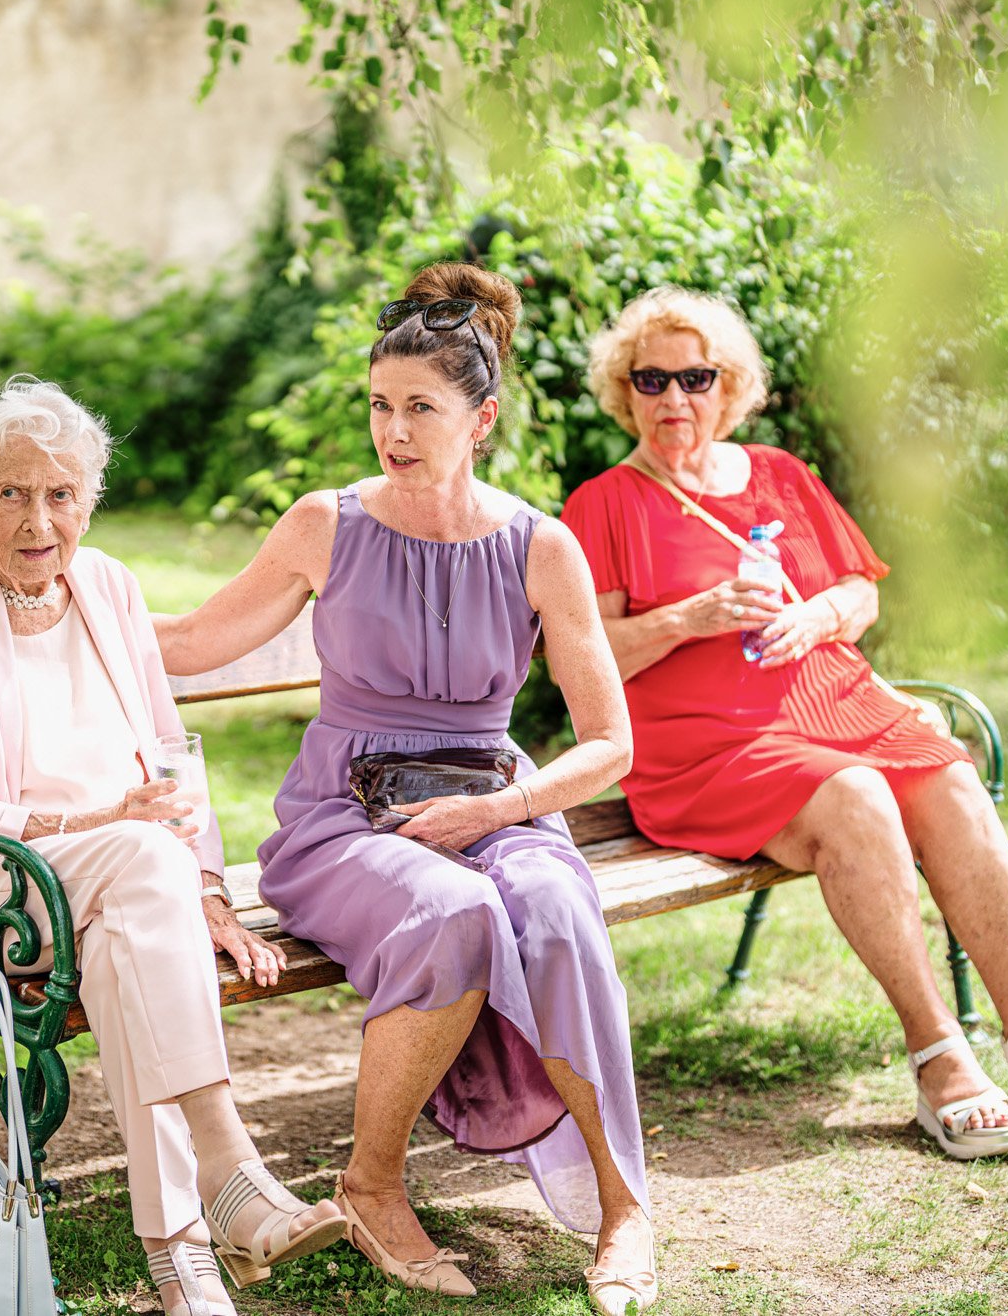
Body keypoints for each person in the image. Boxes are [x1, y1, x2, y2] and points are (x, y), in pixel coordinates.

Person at [153, 264, 656, 1315]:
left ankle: (622, 1209)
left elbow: (607, 744)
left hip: (490, 797)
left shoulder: (539, 546)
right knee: (455, 909)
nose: (392, 428)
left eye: (418, 407)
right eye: (379, 405)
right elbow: (195, 642)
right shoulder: (323, 524)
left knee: (557, 910)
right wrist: (56, 592)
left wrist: (499, 810)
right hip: (342, 817)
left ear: (480, 418)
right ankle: (370, 1184)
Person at [561, 286, 1008, 1162]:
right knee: (853, 796)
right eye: (650, 379)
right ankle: (939, 1055)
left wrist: (819, 617)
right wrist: (688, 618)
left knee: (951, 779)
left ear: (728, 384)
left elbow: (860, 590)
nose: (672, 399)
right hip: (707, 744)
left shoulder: (778, 472)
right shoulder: (605, 504)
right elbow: (589, 661)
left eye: (694, 377)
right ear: (623, 391)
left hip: (835, 700)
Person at [0, 378, 346, 1316]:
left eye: (61, 494)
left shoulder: (109, 585)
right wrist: (88, 827)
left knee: (128, 936)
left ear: (89, 502)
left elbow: (171, 757)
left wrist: (209, 892)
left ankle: (180, 1254)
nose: (40, 519)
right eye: (12, 493)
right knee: (138, 863)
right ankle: (230, 1167)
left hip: (125, 888)